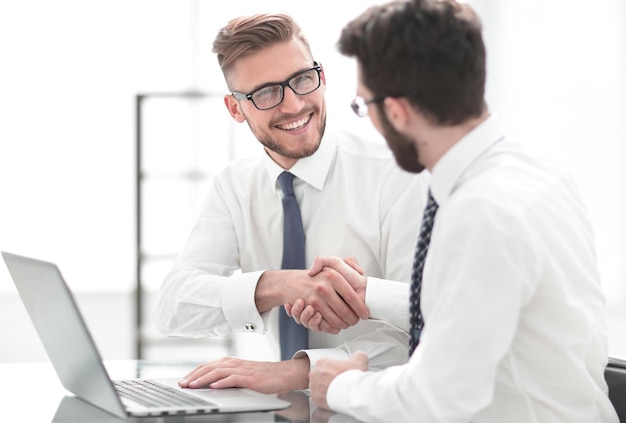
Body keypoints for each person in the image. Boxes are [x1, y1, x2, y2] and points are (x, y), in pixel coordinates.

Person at [299, 0, 619, 422]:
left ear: (395, 110)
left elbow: (437, 399)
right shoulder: (535, 172)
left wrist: (337, 385)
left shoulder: (482, 213)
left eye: (365, 107)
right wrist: (367, 294)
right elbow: (479, 310)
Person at [154, 12, 429, 394]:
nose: (294, 105)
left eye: (302, 79)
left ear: (322, 76)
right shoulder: (235, 186)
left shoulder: (397, 176)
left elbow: (428, 327)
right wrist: (279, 285)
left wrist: (297, 372)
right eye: (266, 92)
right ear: (236, 109)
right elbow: (173, 308)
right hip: (283, 412)